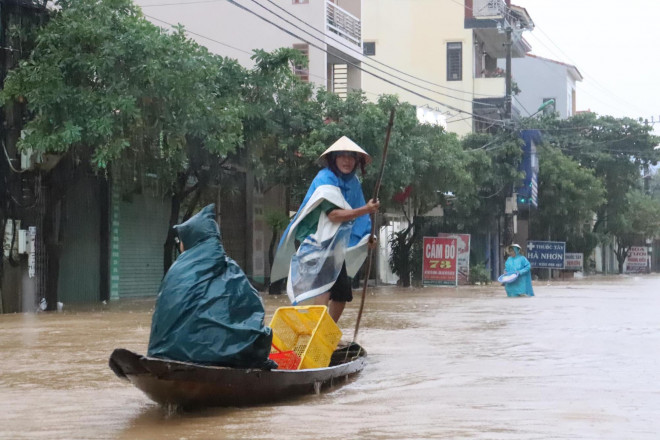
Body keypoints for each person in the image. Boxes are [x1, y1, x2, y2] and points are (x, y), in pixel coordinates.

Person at [147, 204, 276, 369]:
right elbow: (252, 309)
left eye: (181, 240)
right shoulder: (229, 269)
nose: (180, 245)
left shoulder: (175, 270)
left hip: (163, 353)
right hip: (215, 358)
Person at [270, 136, 380, 322]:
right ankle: (315, 332)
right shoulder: (325, 179)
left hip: (335, 248)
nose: (347, 161)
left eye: (351, 157)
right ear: (333, 159)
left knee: (342, 294)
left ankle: (326, 332)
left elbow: (360, 218)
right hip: (317, 244)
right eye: (342, 156)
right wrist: (367, 209)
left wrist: (368, 237)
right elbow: (334, 215)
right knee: (322, 289)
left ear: (357, 161)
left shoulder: (353, 184)